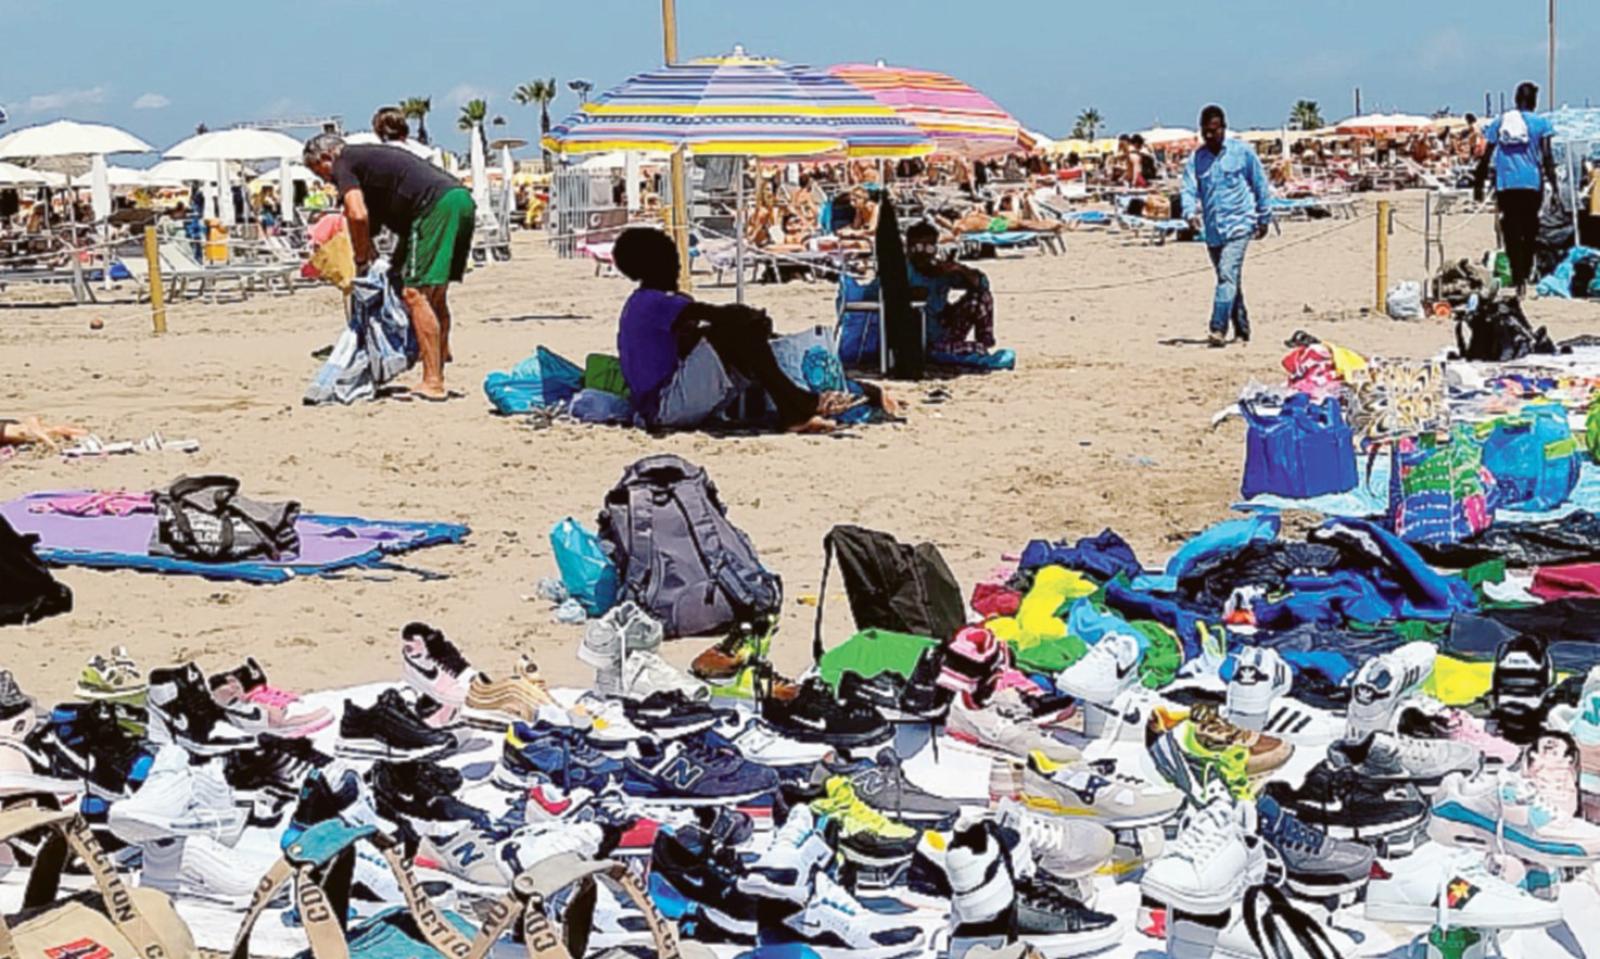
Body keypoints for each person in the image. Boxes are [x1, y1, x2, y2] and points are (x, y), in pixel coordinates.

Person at [611, 227, 870, 434]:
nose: (678, 267)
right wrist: (751, 319)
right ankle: (799, 404)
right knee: (734, 331)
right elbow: (718, 316)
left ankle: (795, 407)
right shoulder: (653, 302)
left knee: (739, 335)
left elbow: (695, 338)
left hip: (666, 400)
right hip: (663, 405)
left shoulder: (650, 302)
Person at [303, 132, 476, 401]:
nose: (326, 180)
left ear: (327, 156)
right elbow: (367, 222)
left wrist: (361, 260)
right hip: (458, 200)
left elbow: (357, 213)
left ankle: (433, 381)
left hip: (433, 207)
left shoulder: (344, 161)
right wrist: (367, 254)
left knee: (414, 293)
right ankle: (440, 354)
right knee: (435, 294)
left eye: (320, 172)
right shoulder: (367, 163)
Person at [1181, 104, 1273, 347]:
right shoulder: (1196, 160)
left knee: (1226, 276)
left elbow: (1260, 184)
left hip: (1240, 225)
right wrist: (1189, 212)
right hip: (1213, 231)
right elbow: (1189, 189)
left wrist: (1265, 217)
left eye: (1215, 130)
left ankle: (1217, 328)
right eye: (1206, 132)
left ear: (1223, 128)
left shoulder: (1242, 153)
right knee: (1230, 280)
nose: (1210, 136)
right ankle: (1242, 330)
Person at [1475, 82, 1559, 296]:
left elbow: (1486, 156)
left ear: (1516, 99)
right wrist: (1555, 186)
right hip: (1532, 183)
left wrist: (1479, 184)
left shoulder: (1501, 122)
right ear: (1533, 101)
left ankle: (1518, 275)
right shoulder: (1541, 124)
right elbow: (1547, 157)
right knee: (1530, 231)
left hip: (1507, 184)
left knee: (1511, 231)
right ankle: (1526, 271)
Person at [905, 220, 994, 354]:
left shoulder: (940, 271)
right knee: (976, 350)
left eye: (929, 248)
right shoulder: (902, 271)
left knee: (981, 297)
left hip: (944, 330)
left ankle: (985, 342)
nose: (923, 253)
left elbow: (982, 284)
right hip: (920, 337)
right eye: (918, 248)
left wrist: (959, 269)